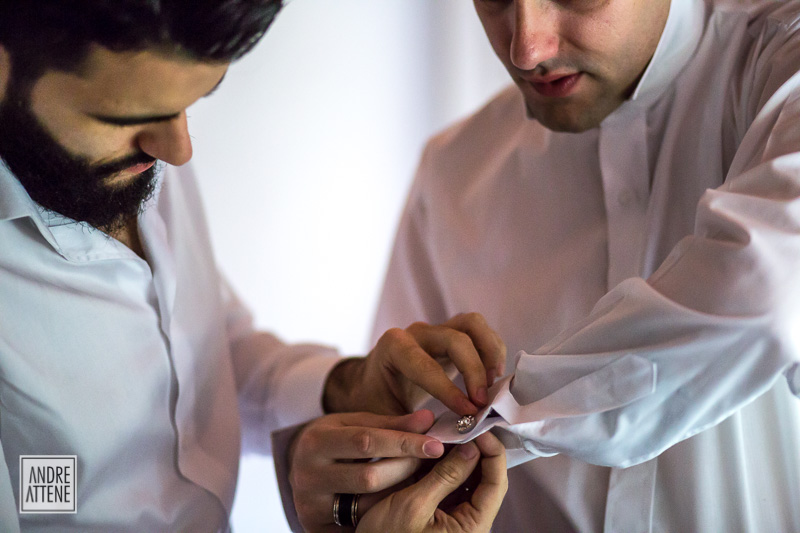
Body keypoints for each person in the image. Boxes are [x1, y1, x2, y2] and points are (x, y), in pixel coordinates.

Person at [0, 1, 508, 531]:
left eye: (191, 103)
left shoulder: (131, 153)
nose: (178, 151)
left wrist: (343, 387)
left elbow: (202, 349)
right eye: (127, 118)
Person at [363, 0, 800, 531]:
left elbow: (770, 297)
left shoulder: (782, 63)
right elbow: (398, 436)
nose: (526, 50)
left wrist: (497, 419)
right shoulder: (452, 171)